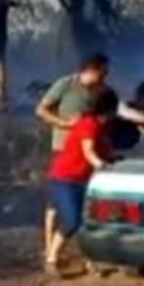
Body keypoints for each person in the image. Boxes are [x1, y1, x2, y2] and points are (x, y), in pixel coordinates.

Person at [35, 53, 110, 255]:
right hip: (62, 147)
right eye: (103, 72)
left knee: (80, 202)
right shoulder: (66, 84)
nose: (105, 76)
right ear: (92, 69)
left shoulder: (98, 92)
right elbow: (41, 110)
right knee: (54, 202)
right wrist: (64, 124)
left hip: (85, 151)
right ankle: (49, 246)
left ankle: (76, 249)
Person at [44, 87, 120, 277]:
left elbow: (107, 151)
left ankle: (90, 261)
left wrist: (118, 160)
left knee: (88, 221)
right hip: (65, 179)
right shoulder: (89, 124)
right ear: (109, 109)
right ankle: (51, 260)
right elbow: (89, 152)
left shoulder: (101, 127)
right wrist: (101, 165)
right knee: (72, 220)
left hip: (82, 179)